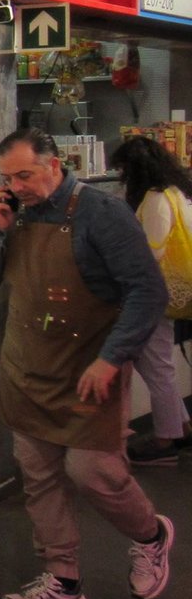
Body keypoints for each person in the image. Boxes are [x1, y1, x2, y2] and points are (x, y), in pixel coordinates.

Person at [0, 128, 173, 599]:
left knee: (94, 472)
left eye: (25, 174)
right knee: (39, 478)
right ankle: (63, 580)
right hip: (27, 372)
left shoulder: (102, 214)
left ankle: (152, 535)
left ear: (55, 165)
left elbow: (149, 293)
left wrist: (112, 358)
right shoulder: (13, 217)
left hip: (87, 373)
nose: (16, 186)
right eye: (8, 178)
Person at [109, 134, 192, 464]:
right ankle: (180, 426)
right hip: (169, 291)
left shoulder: (156, 200)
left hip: (153, 295)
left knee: (155, 365)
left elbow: (150, 253)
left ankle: (165, 439)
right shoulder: (178, 193)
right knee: (158, 363)